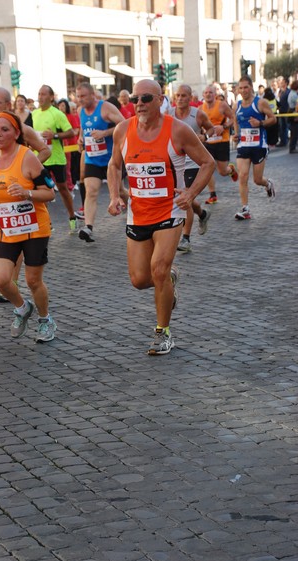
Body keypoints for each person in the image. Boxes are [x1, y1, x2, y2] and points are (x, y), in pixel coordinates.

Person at [107, 79, 215, 355]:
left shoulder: (177, 131)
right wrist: (114, 196)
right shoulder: (123, 130)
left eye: (145, 98)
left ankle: (162, 332)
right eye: (135, 99)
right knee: (140, 279)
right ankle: (170, 278)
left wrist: (190, 194)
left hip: (170, 210)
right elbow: (114, 165)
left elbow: (208, 163)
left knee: (158, 269)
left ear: (159, 100)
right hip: (138, 213)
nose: (139, 104)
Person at [0, 111, 57, 342]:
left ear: (16, 133)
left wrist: (27, 193)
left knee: (33, 280)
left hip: (34, 228)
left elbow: (50, 192)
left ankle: (45, 320)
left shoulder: (27, 157)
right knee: (1, 279)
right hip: (5, 230)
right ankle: (22, 308)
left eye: (4, 129)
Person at [0, 87, 52, 303]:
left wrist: (25, 173)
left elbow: (45, 151)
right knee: (5, 259)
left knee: (31, 272)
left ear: (8, 105)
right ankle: (14, 288)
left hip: (27, 206)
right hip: (3, 209)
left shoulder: (23, 130)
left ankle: (17, 283)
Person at [76, 81, 125, 242]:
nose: (80, 99)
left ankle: (137, 207)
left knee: (119, 191)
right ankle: (88, 227)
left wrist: (105, 132)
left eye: (83, 96)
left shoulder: (105, 108)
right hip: (92, 157)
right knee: (91, 190)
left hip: (112, 157)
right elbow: (84, 128)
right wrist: (80, 138)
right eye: (78, 97)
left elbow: (124, 124)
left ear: (92, 95)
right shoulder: (80, 110)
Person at [168, 84, 214, 253]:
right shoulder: (168, 115)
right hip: (175, 163)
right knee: (185, 197)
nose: (180, 99)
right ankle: (202, 214)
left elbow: (211, 129)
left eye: (183, 96)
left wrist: (205, 136)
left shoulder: (198, 114)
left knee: (184, 198)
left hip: (193, 163)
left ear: (190, 98)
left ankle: (185, 238)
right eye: (177, 96)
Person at [32, 85, 77, 233]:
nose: (40, 97)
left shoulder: (57, 114)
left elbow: (71, 132)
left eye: (43, 94)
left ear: (51, 97)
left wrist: (54, 136)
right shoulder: (33, 114)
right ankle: (47, 223)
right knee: (42, 191)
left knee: (63, 189)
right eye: (39, 94)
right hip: (40, 159)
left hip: (56, 158)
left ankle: (72, 218)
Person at [233, 75, 277, 220]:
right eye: (241, 87)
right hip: (244, 145)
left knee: (257, 180)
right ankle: (245, 209)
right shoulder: (236, 105)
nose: (243, 90)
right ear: (238, 89)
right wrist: (236, 134)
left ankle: (267, 183)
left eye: (246, 87)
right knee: (243, 175)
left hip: (259, 145)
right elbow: (235, 120)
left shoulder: (260, 102)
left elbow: (273, 118)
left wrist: (260, 123)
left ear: (251, 87)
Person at [201, 84, 239, 204]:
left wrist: (224, 126)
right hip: (208, 142)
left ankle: (231, 169)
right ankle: (213, 194)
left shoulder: (221, 105)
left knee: (222, 171)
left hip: (222, 140)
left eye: (210, 93)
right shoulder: (201, 108)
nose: (208, 94)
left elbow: (233, 117)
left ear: (215, 94)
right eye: (206, 93)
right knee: (207, 168)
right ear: (203, 95)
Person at [276, 77, 290, 147]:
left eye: (283, 82)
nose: (281, 83)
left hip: (287, 112)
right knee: (282, 127)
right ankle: (283, 141)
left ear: (286, 83)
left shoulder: (288, 91)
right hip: (281, 112)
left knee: (287, 126)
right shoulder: (281, 92)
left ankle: (287, 140)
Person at [287, 80, 298, 153]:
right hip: (294, 112)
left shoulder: (291, 93)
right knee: (295, 131)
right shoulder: (294, 95)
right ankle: (292, 147)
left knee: (294, 131)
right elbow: (297, 105)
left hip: (292, 111)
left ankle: (292, 146)